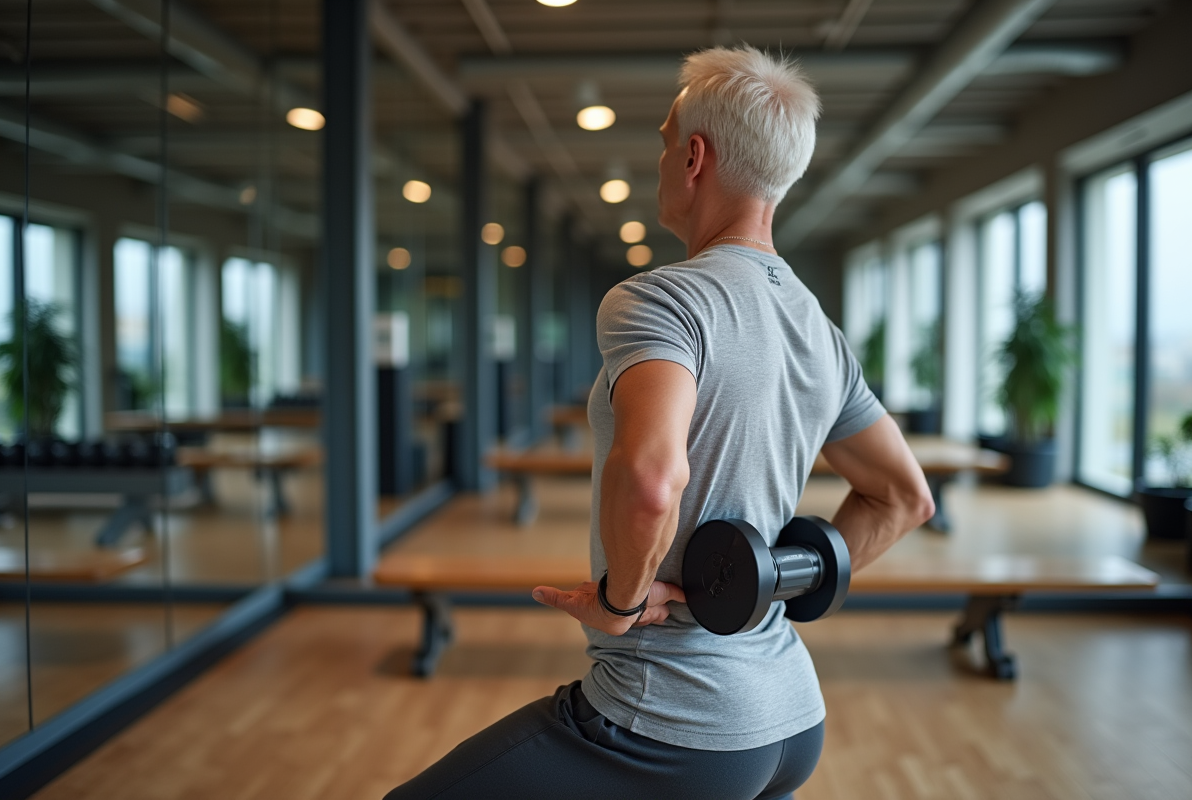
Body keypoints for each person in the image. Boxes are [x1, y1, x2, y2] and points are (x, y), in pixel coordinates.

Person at [384, 45, 934, 800]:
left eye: (667, 143)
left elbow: (651, 480)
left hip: (670, 722)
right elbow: (904, 498)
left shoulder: (661, 301)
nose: (663, 159)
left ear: (695, 158)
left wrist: (619, 602)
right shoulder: (819, 330)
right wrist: (762, 584)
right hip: (791, 719)